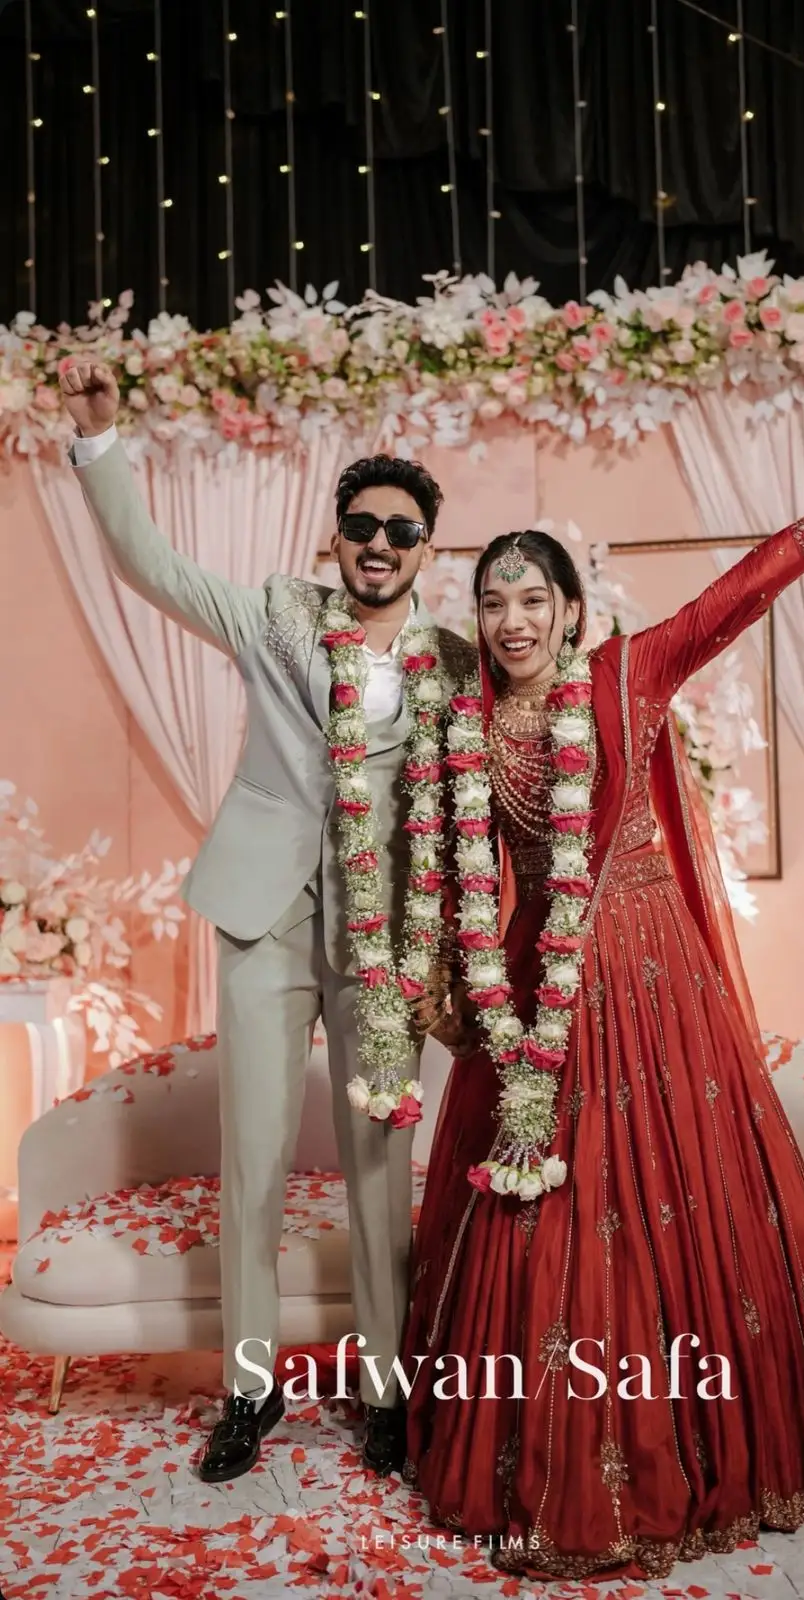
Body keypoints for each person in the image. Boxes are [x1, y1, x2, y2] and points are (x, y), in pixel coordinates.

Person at [403, 407, 804, 1580]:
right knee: (532, 1201)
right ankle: (540, 1450)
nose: (514, 619)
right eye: (494, 601)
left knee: (663, 1191)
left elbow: (742, 590)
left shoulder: (631, 671)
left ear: (572, 611)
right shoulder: (462, 720)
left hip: (647, 976)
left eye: (534, 599)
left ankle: (697, 1439)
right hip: (530, 974)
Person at [58, 359, 476, 1483]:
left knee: (381, 1166)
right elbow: (152, 568)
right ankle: (250, 1386)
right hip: (261, 916)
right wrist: (102, 445)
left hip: (380, 945)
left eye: (398, 528)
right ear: (332, 543)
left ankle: (386, 1389)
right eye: (359, 527)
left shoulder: (452, 663)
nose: (377, 543)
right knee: (249, 1165)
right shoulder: (273, 615)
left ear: (426, 549)